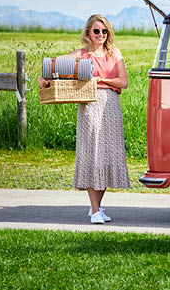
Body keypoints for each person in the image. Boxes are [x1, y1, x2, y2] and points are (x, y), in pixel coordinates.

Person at [38, 14, 130, 224]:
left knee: (108, 154)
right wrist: (43, 77)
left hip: (111, 106)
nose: (100, 35)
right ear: (89, 32)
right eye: (96, 31)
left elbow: (123, 82)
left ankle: (96, 207)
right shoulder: (81, 55)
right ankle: (95, 210)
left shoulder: (114, 53)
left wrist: (101, 79)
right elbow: (53, 66)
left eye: (104, 31)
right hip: (89, 105)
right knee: (92, 153)